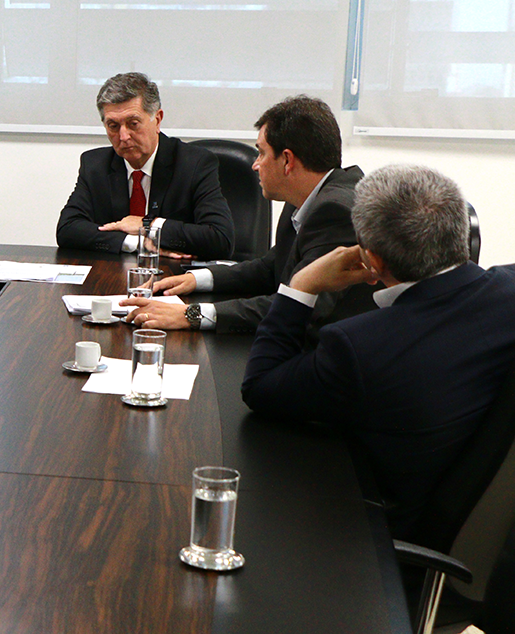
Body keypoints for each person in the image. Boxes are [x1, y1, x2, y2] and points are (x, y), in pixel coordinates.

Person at [240, 165, 515, 538]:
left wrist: (302, 284)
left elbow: (260, 385)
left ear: (373, 259)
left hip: (386, 543)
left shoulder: (359, 347)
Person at [125, 95, 377, 334]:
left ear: (287, 161)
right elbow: (271, 268)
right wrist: (195, 279)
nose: (255, 164)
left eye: (262, 152)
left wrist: (190, 315)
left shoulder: (336, 211)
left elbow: (302, 306)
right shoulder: (307, 197)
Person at [56, 72, 233, 260]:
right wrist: (139, 242)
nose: (123, 136)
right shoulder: (95, 165)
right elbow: (67, 229)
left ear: (157, 120)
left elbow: (220, 239)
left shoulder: (195, 164)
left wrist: (148, 225)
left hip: (175, 279)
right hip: (114, 277)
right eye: (113, 126)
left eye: (133, 124)